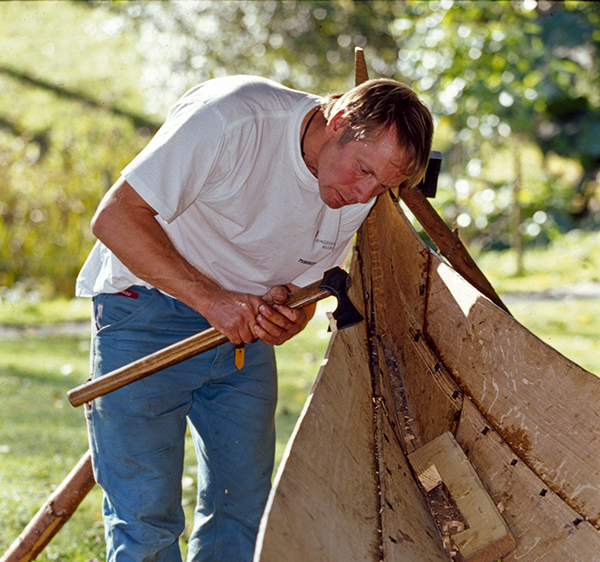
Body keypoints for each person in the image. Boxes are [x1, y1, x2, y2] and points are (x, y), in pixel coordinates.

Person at [75, 74, 433, 562]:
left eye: (382, 185)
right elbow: (114, 217)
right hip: (144, 314)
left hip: (241, 338)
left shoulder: (359, 192)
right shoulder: (232, 120)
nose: (364, 193)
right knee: (146, 521)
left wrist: (289, 315)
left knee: (241, 513)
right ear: (339, 120)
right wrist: (214, 301)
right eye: (364, 170)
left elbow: (302, 280)